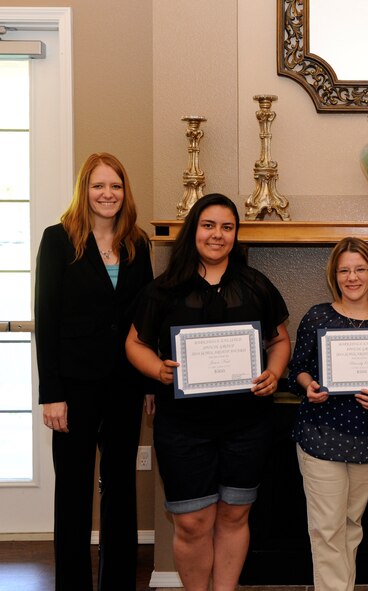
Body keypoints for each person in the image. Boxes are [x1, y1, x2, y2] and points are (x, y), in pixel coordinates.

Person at [125, 193, 290, 591]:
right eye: (209, 225)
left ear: (236, 234)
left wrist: (273, 372)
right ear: (193, 231)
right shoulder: (163, 290)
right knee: (192, 521)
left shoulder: (255, 285)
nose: (218, 235)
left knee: (235, 515)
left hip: (247, 425)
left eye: (227, 227)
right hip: (183, 428)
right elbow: (135, 344)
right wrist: (158, 372)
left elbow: (280, 340)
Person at [34, 152, 153, 591]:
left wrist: (148, 384)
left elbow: (146, 319)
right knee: (73, 490)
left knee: (120, 488)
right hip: (73, 386)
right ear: (85, 191)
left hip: (123, 384)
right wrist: (51, 392)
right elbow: (45, 318)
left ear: (125, 192)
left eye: (116, 186)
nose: (108, 194)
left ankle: (118, 583)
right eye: (99, 186)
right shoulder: (58, 240)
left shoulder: (138, 244)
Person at [288, 237, 368, 591]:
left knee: (350, 525)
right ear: (334, 275)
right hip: (320, 436)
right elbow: (295, 370)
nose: (352, 277)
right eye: (344, 270)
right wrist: (309, 384)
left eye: (360, 269)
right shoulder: (317, 316)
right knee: (327, 528)